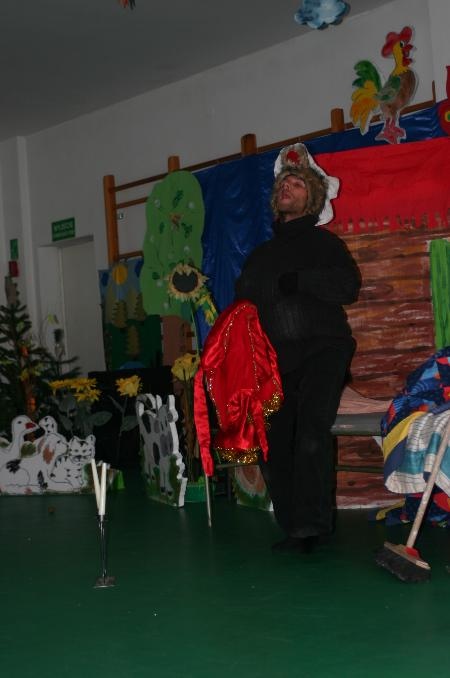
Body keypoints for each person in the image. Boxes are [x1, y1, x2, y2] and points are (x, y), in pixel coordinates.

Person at [234, 143, 361, 553]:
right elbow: (242, 308)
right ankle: (293, 526)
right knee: (274, 442)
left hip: (325, 349)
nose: (287, 187)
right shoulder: (259, 257)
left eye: (297, 184)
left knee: (310, 433)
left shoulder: (325, 244)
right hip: (278, 360)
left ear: (313, 199)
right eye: (283, 183)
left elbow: (348, 287)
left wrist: (301, 281)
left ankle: (312, 527)